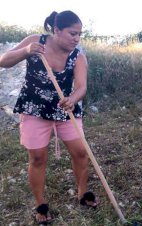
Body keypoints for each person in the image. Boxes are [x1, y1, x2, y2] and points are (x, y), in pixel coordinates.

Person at [0, 10, 97, 224]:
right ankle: (40, 204)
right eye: (72, 33)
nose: (76, 39)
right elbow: (3, 61)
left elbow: (82, 87)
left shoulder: (77, 55)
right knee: (37, 158)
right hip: (34, 109)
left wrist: (72, 99)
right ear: (56, 30)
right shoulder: (36, 42)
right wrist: (26, 51)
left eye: (80, 34)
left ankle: (83, 193)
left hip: (65, 110)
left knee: (81, 153)